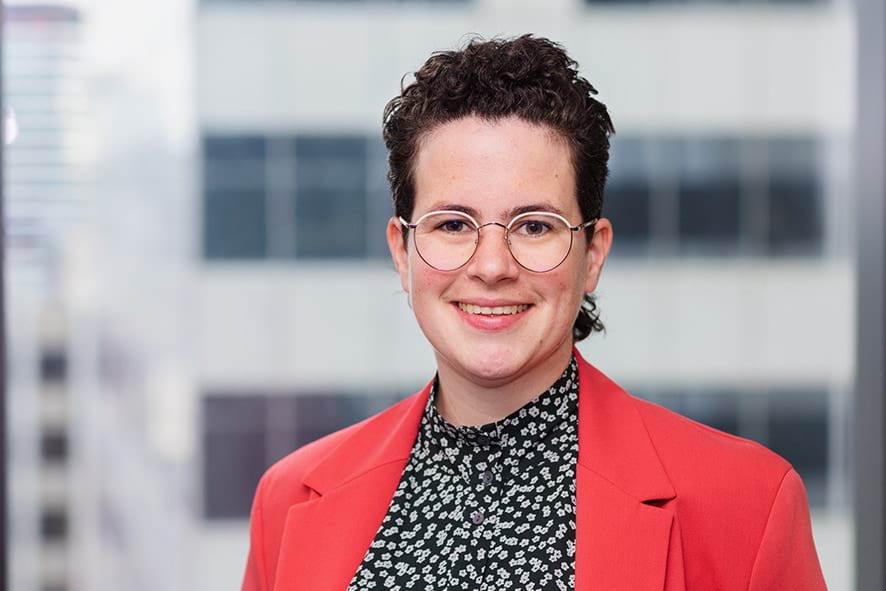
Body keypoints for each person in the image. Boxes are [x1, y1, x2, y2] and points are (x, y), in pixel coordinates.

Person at [241, 35, 827, 591]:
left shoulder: (748, 504)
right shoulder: (288, 500)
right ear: (402, 251)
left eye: (535, 226)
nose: (492, 266)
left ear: (592, 253)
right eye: (452, 225)